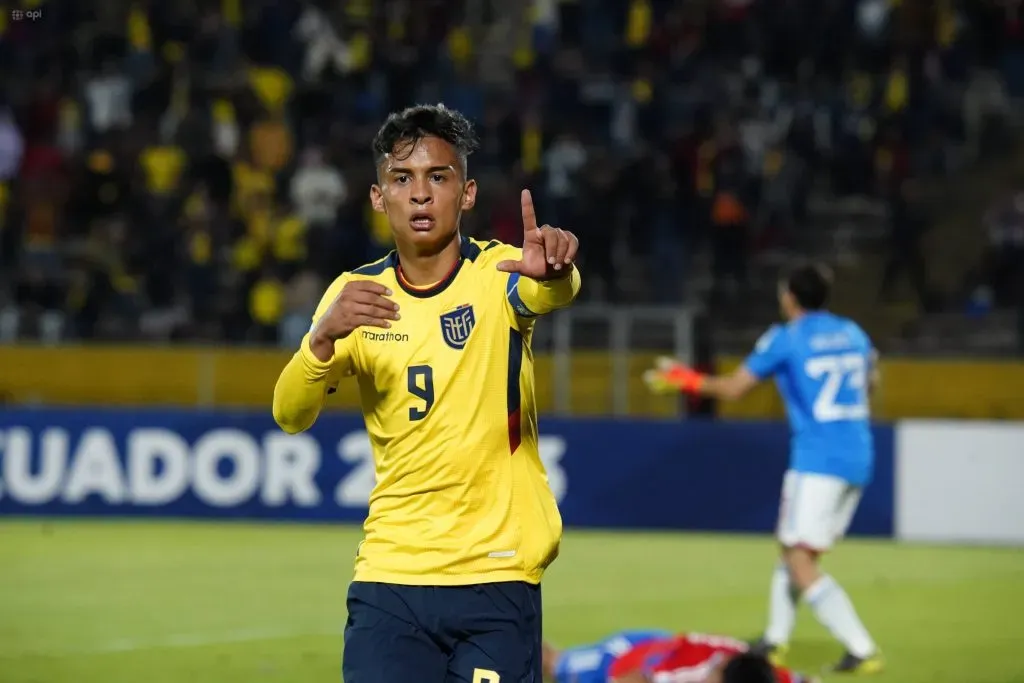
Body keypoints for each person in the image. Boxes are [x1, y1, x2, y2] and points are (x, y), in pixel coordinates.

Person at [272, 104, 582, 683]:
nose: (419, 195)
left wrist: (558, 271)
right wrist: (320, 341)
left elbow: (549, 292)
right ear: (377, 196)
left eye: (437, 178)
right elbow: (289, 414)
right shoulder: (353, 296)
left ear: (465, 194)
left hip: (496, 575)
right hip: (391, 578)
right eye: (402, 179)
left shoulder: (500, 272)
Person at [642, 264, 883, 675]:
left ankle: (861, 647)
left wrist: (687, 380)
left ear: (790, 297)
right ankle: (774, 640)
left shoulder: (785, 338)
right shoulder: (853, 333)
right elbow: (872, 380)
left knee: (800, 560)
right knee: (792, 550)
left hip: (817, 459)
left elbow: (736, 388)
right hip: (858, 453)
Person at [543, 630, 818, 683]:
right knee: (554, 664)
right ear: (720, 668)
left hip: (668, 646)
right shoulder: (681, 675)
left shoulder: (762, 675)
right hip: (623, 657)